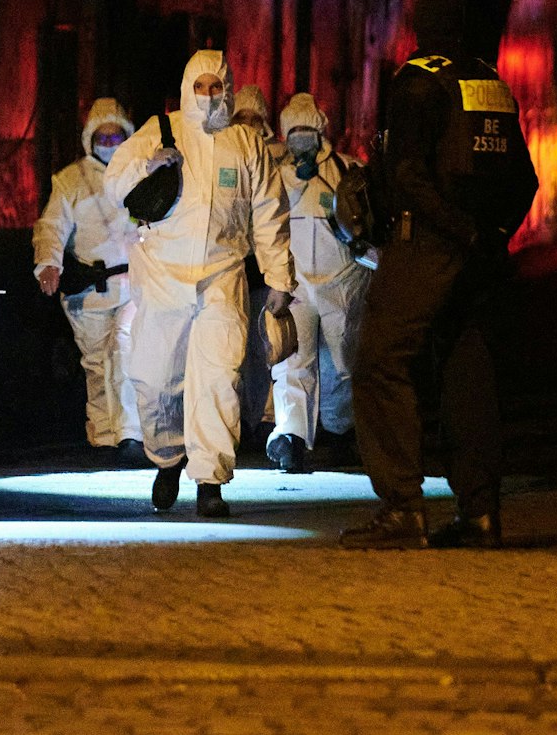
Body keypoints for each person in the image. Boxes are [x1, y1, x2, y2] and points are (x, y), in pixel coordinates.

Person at [342, 0, 539, 550]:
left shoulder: (417, 81)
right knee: (466, 371)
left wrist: (455, 231)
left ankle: (403, 509)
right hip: (480, 256)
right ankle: (480, 515)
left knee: (379, 362)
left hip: (427, 245)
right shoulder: (490, 84)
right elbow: (524, 180)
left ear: (420, 26)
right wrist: (492, 236)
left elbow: (407, 176)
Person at [104, 50, 294, 518]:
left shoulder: (245, 143)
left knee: (218, 378)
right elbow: (115, 181)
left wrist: (278, 277)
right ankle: (168, 456)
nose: (210, 96)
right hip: (162, 277)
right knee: (154, 378)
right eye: (201, 86)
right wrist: (148, 165)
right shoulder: (160, 130)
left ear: (228, 88)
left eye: (217, 86)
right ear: (188, 86)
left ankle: (210, 479)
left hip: (221, 276)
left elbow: (269, 211)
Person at [33, 98, 144, 462]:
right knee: (97, 364)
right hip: (90, 294)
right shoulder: (70, 180)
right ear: (89, 138)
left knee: (124, 350)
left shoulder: (141, 174)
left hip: (133, 286)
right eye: (103, 137)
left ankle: (131, 434)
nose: (109, 144)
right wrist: (47, 264)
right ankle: (104, 436)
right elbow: (51, 227)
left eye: (116, 137)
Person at [267, 92, 370, 474]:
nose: (301, 139)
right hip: (294, 286)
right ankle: (291, 437)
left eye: (307, 131)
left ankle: (341, 429)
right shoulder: (275, 176)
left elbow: (366, 225)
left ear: (321, 129)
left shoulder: (346, 172)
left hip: (340, 283)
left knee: (342, 360)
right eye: (294, 132)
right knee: (294, 360)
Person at [230, 84, 282, 446]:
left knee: (270, 346)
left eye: (254, 118)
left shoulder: (276, 159)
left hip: (263, 267)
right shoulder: (225, 154)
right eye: (241, 118)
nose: (248, 124)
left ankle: (264, 419)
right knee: (237, 348)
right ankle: (242, 420)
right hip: (235, 265)